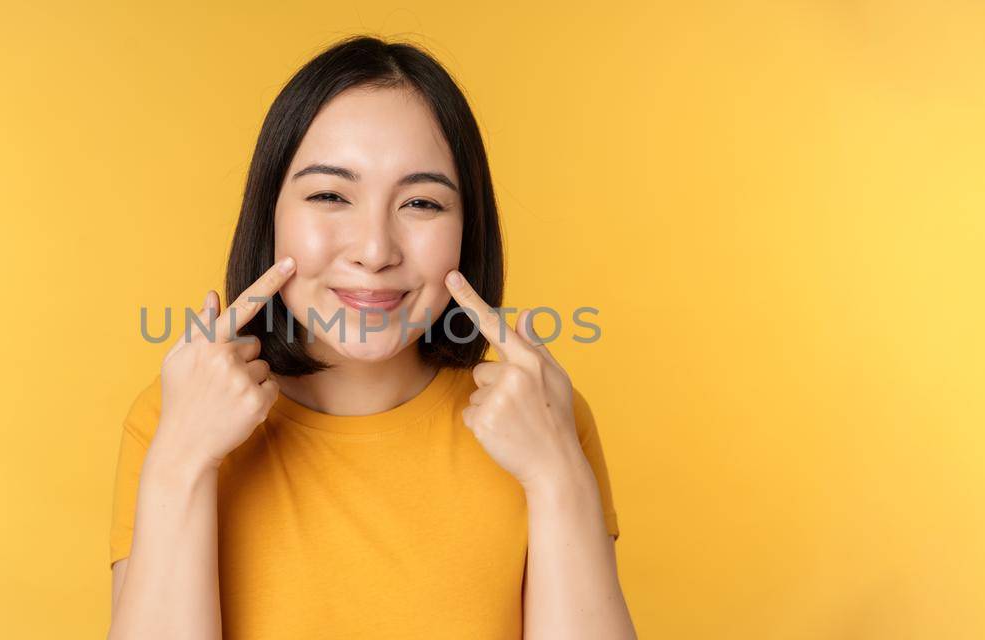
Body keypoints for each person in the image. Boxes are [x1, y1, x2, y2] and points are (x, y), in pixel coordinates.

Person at [108, 35, 636, 639]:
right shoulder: (171, 416)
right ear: (270, 214)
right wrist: (182, 459)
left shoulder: (543, 414)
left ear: (469, 227)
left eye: (420, 202)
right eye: (331, 195)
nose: (375, 251)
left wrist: (557, 475)